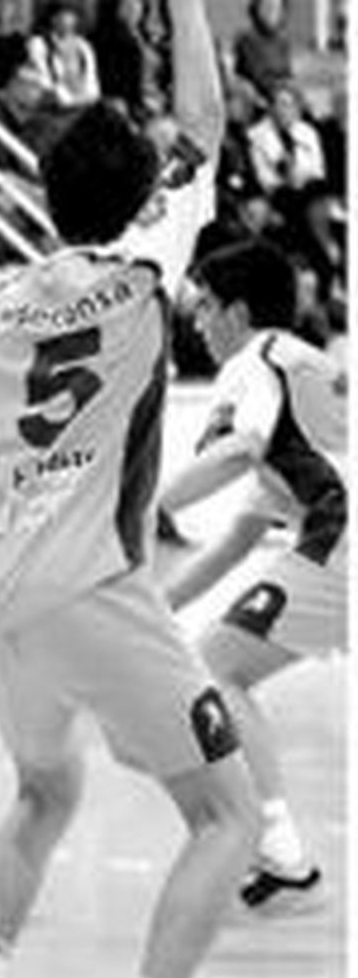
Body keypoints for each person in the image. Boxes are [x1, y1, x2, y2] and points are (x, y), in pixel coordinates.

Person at [0, 0, 260, 977]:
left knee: (44, 794)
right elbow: (206, 121)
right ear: (141, 197)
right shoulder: (140, 270)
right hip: (92, 586)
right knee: (227, 817)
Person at [159, 239, 346, 915]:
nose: (198, 323)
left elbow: (241, 450)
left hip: (342, 538)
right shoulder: (301, 374)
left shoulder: (254, 360)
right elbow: (238, 540)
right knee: (214, 661)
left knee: (214, 670)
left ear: (238, 312)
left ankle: (281, 856)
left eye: (206, 307)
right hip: (332, 540)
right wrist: (150, 612)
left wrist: (147, 506)